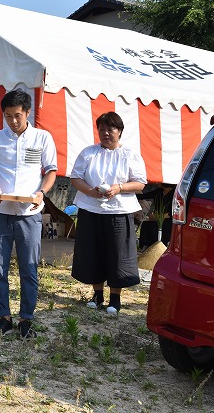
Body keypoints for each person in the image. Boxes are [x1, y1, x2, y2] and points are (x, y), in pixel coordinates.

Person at [0, 88, 57, 339]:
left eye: (17, 115)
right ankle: (3, 317)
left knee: (29, 268)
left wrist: (41, 193)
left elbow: (51, 171)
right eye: (7, 116)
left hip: (29, 213)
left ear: (27, 112)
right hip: (0, 211)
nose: (13, 121)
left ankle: (27, 318)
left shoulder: (42, 138)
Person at [70, 111, 147, 315]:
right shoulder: (88, 153)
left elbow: (140, 183)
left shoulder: (130, 155)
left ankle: (115, 298)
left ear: (119, 131)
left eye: (110, 129)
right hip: (90, 208)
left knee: (118, 254)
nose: (105, 133)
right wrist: (90, 191)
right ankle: (97, 295)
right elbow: (75, 178)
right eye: (101, 129)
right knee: (92, 251)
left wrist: (119, 188)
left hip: (119, 211)